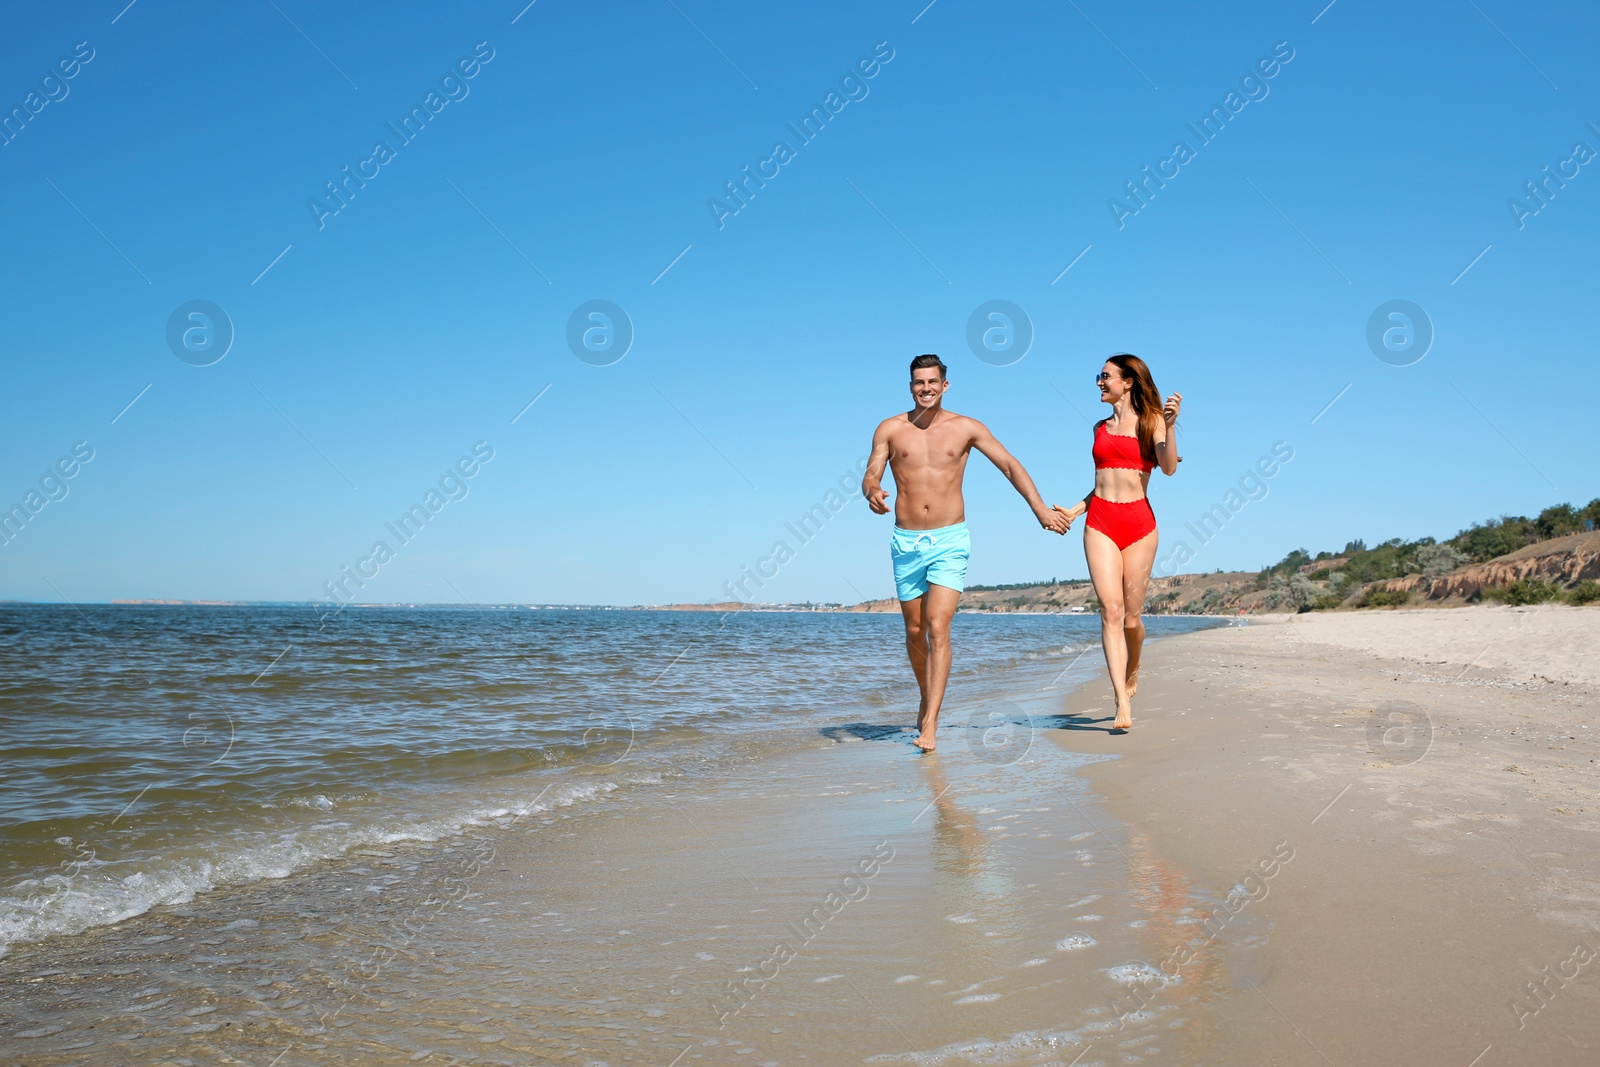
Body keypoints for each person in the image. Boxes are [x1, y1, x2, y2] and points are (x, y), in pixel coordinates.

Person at [862, 354, 1069, 752]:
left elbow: (1009, 464)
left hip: (950, 539)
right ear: (910, 386)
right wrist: (872, 490)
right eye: (919, 382)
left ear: (945, 385)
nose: (926, 388)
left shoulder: (966, 428)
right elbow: (872, 471)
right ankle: (926, 697)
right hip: (906, 541)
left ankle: (931, 723)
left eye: (933, 382)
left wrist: (1040, 509)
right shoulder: (890, 428)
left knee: (938, 627)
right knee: (915, 631)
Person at [1055, 354, 1182, 733]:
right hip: (1100, 523)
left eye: (1105, 376)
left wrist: (1171, 427)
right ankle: (1120, 700)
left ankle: (1134, 663)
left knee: (1131, 617)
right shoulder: (1098, 427)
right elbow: (1102, 482)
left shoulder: (1152, 421)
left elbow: (1169, 466)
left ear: (1127, 382)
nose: (1099, 382)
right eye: (1099, 376)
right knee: (1110, 611)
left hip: (1139, 525)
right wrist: (1077, 510)